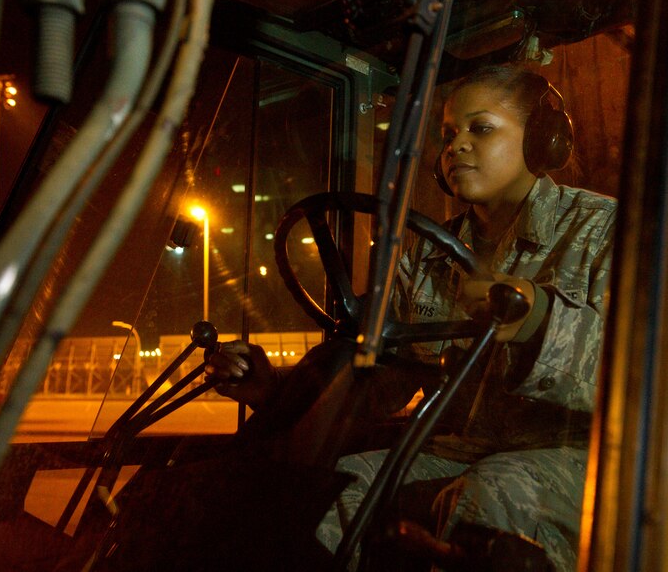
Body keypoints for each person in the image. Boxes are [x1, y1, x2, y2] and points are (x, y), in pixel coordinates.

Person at [204, 64, 617, 571]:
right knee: (337, 489)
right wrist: (279, 390)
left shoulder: (605, 230)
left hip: (582, 458)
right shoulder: (424, 254)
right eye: (448, 135)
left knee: (491, 497)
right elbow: (389, 375)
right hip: (464, 450)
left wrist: (538, 324)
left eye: (480, 128)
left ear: (542, 142)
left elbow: (643, 373)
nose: (456, 146)